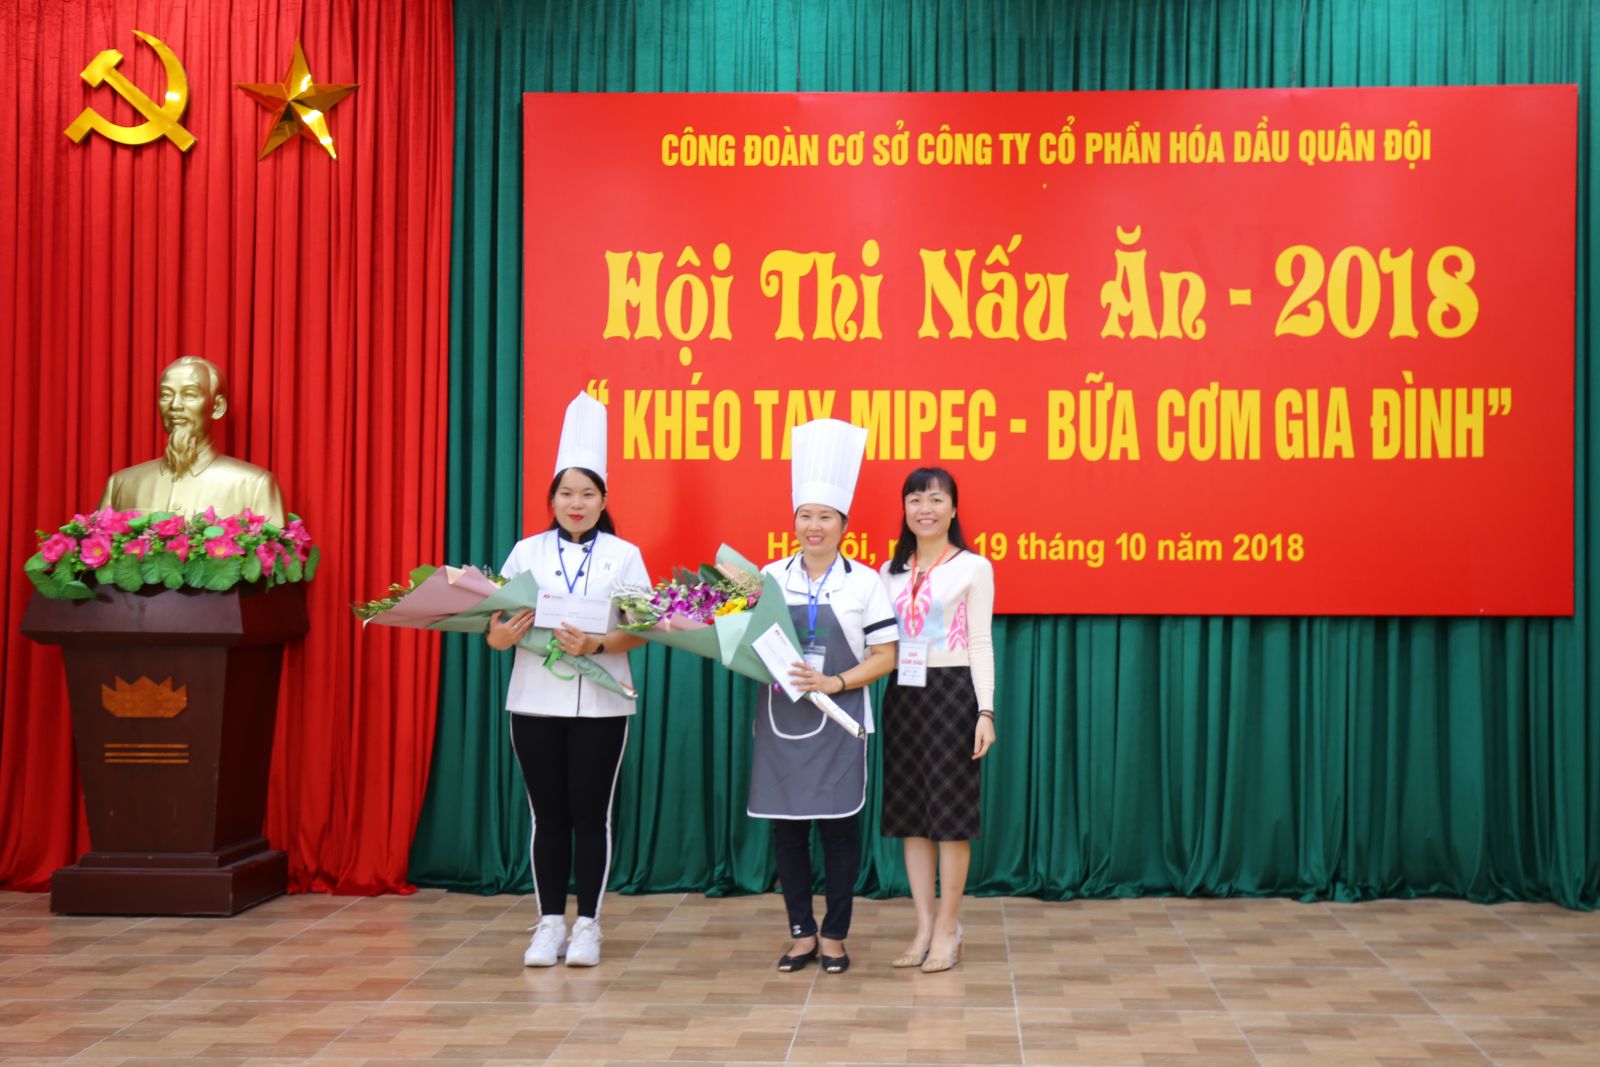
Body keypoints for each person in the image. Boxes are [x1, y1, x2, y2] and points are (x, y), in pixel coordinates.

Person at [484, 392, 648, 969]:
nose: (576, 504)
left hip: (602, 705)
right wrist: (499, 637)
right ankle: (550, 923)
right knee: (547, 816)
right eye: (566, 493)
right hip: (533, 701)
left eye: (587, 494)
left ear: (604, 500)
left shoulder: (625, 555)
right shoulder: (525, 552)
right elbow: (495, 627)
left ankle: (588, 926)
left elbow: (641, 631)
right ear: (551, 499)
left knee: (591, 815)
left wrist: (597, 645)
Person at [754, 418, 898, 976]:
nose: (814, 527)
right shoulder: (769, 577)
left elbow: (885, 655)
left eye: (825, 517)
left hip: (841, 720)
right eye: (805, 516)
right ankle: (801, 933)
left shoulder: (864, 582)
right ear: (794, 521)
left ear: (843, 525)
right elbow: (747, 645)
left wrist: (835, 683)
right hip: (780, 719)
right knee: (787, 830)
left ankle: (835, 934)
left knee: (839, 832)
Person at [878, 467, 996, 973]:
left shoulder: (973, 567)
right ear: (904, 508)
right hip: (902, 694)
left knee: (950, 819)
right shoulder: (888, 572)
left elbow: (980, 642)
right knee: (912, 817)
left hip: (952, 693)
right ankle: (924, 925)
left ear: (953, 509)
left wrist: (985, 710)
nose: (924, 509)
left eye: (935, 499)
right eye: (915, 499)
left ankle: (949, 927)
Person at [99, 355, 286, 524]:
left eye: (189, 395)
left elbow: (272, 548)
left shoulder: (254, 486)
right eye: (166, 395)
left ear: (217, 407)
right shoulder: (121, 484)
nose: (175, 405)